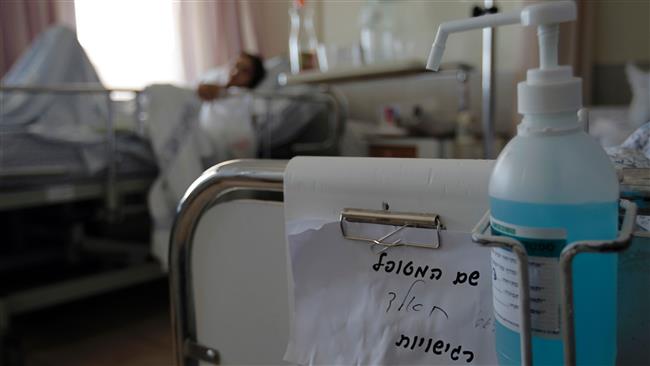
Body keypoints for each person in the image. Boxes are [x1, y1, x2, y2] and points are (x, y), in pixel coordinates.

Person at [196, 52, 266, 101]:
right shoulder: (212, 80)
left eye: (245, 71)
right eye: (236, 65)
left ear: (253, 78)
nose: (236, 72)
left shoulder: (245, 99)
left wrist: (220, 92)